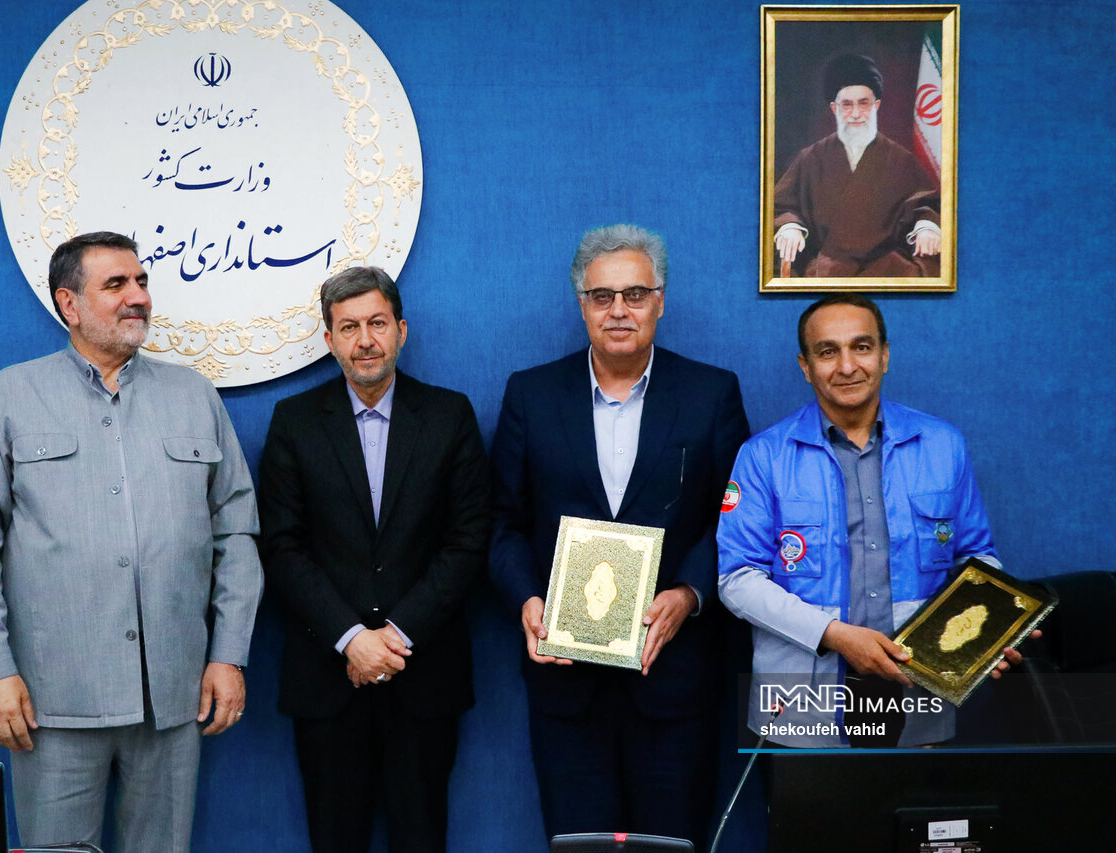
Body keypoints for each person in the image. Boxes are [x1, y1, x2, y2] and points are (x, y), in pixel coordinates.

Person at [0, 231, 263, 852]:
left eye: (141, 281)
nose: (137, 296)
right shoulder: (8, 396)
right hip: (52, 700)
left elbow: (237, 533)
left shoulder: (194, 396)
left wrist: (229, 655)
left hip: (172, 698)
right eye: (115, 284)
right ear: (70, 304)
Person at [489, 224, 749, 845]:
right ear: (581, 305)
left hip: (674, 678)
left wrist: (689, 595)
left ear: (660, 301)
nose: (619, 311)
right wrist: (527, 600)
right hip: (565, 681)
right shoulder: (531, 394)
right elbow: (502, 523)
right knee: (578, 843)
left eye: (635, 294)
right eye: (602, 296)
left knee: (673, 842)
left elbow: (736, 522)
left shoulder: (711, 393)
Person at [717, 293, 1027, 748]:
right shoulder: (763, 456)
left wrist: (991, 630)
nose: (847, 366)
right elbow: (737, 579)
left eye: (861, 347)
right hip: (802, 701)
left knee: (915, 797)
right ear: (806, 367)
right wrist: (836, 636)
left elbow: (976, 560)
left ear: (884, 355)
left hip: (921, 690)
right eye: (828, 352)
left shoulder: (943, 445)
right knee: (810, 799)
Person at [259, 266, 489, 853]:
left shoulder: (449, 416)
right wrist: (351, 639)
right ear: (330, 339)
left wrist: (395, 635)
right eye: (349, 327)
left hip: (424, 675)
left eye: (378, 323)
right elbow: (282, 548)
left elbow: (467, 543)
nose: (365, 340)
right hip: (327, 678)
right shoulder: (294, 422)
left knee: (421, 839)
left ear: (401, 331)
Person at [774, 52, 940, 277]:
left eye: (864, 104)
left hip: (886, 269)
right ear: (834, 109)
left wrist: (926, 227)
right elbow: (783, 206)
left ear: (876, 106)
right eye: (847, 105)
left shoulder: (900, 160)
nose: (855, 114)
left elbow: (925, 205)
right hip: (825, 268)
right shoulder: (810, 158)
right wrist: (790, 227)